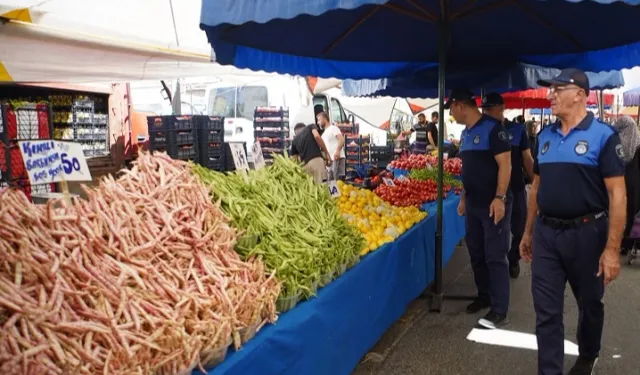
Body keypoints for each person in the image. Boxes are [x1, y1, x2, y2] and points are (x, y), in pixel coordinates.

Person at [520, 68, 626, 375]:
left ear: (580, 94)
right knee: (546, 312)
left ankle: (588, 353)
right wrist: (527, 232)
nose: (550, 95)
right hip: (547, 235)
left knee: (590, 304)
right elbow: (536, 188)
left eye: (557, 89)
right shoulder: (544, 137)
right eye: (550, 89)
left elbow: (617, 195)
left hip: (588, 235)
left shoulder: (604, 136)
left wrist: (611, 249)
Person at [447, 88, 512, 329]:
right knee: (476, 253)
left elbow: (506, 165)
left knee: (495, 256)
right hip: (473, 203)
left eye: (451, 108)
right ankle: (484, 295)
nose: (451, 113)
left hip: (492, 203)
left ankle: (500, 309)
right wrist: (463, 198)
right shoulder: (465, 134)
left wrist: (500, 197)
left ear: (461, 105)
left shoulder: (494, 129)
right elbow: (468, 170)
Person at [481, 93, 535, 278]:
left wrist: (536, 182)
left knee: (520, 228)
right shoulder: (482, 130)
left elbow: (527, 158)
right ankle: (497, 266)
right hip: (492, 190)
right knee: (495, 231)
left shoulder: (518, 130)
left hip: (516, 187)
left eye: (489, 109)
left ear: (501, 109)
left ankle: (513, 259)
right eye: (484, 110)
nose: (486, 113)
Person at [613, 115, 640, 255]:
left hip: (620, 183)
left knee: (621, 212)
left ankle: (624, 243)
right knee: (630, 213)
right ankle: (626, 244)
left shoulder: (616, 142)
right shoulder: (637, 144)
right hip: (632, 185)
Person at [319, 112, 346, 181]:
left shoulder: (333, 128)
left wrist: (337, 151)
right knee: (331, 184)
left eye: (319, 120)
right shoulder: (324, 134)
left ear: (325, 119)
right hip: (331, 161)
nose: (318, 122)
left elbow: (341, 139)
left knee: (338, 183)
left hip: (337, 158)